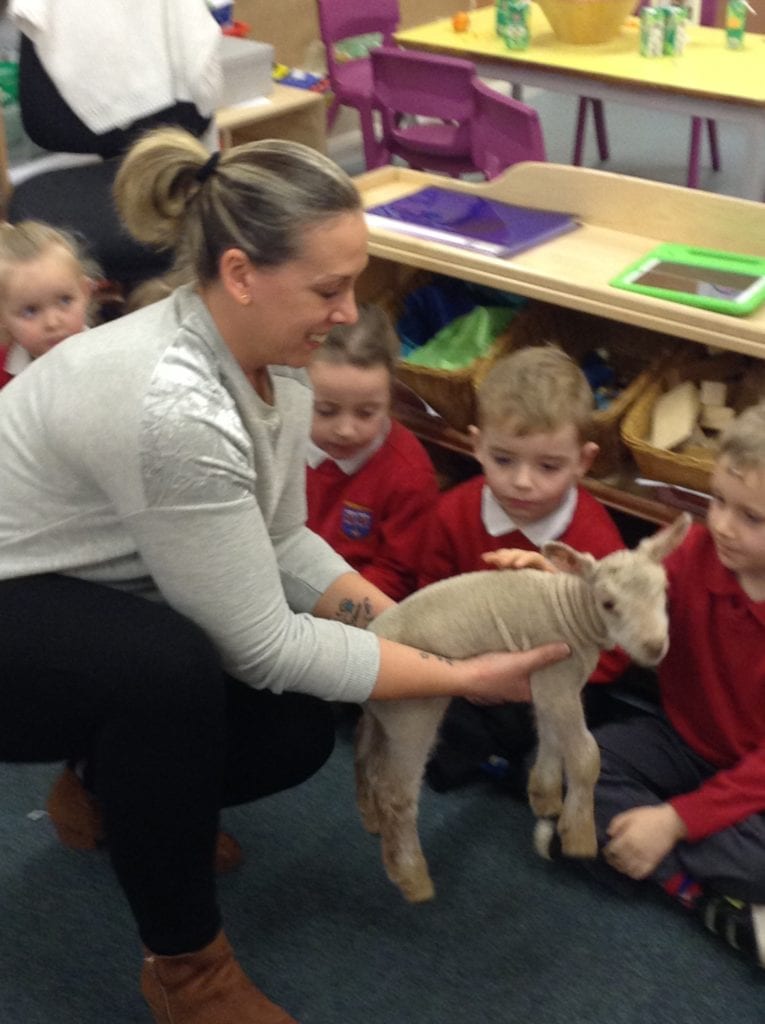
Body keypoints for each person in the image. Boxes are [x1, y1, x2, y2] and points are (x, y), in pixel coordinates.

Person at [0, 129, 571, 1024]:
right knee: (170, 674)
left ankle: (105, 786)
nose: (348, 312)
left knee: (292, 727)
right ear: (239, 273)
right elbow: (261, 643)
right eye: (328, 288)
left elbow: (281, 541)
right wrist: (456, 675)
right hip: (15, 600)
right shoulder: (174, 406)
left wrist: (415, 631)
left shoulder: (276, 361)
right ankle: (187, 971)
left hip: (85, 589)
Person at [578, 400, 765, 968]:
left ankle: (645, 856)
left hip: (757, 782)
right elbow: (621, 610)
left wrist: (675, 820)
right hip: (684, 743)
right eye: (718, 501)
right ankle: (703, 896)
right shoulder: (689, 550)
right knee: (573, 766)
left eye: (752, 517)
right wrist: (567, 600)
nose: (722, 525)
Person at [418, 345, 629, 793]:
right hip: (469, 669)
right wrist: (460, 666)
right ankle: (489, 758)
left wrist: (527, 680)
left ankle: (499, 759)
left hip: (551, 680)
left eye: (548, 466)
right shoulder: (453, 512)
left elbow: (613, 653)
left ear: (583, 461)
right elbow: (429, 600)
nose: (522, 482)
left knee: (571, 724)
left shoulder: (596, 542)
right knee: (409, 696)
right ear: (477, 445)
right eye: (503, 459)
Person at [306, 302, 439, 601]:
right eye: (325, 411)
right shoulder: (278, 436)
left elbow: (398, 574)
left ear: (391, 399)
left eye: (366, 413)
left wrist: (319, 604)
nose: (345, 430)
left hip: (351, 609)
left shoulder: (410, 474)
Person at [0, 220, 95, 388]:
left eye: (65, 300)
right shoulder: (3, 371)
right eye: (30, 311)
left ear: (85, 292)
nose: (52, 323)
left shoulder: (109, 356)